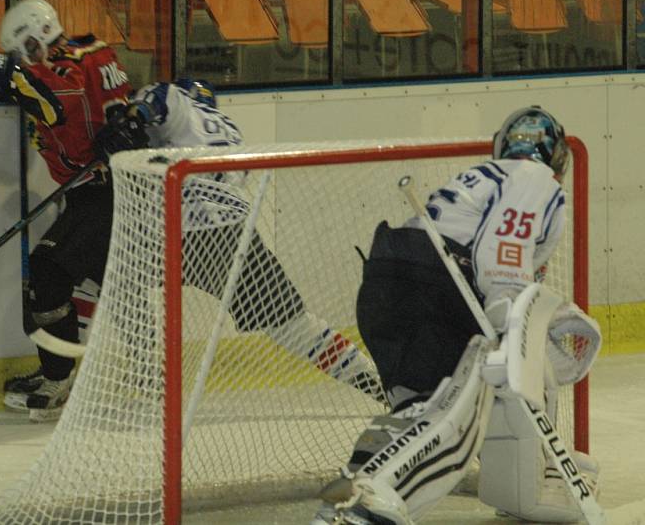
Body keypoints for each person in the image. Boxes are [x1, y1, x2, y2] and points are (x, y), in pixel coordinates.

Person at [311, 106, 602, 524]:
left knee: (417, 411)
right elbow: (500, 260)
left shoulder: (483, 176)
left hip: (388, 281)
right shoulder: (535, 178)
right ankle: (366, 502)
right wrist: (513, 325)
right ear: (555, 156)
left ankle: (358, 480)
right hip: (436, 289)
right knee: (455, 431)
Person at [96, 78, 384, 400]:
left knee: (115, 280)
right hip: (232, 238)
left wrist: (134, 115)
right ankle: (372, 380)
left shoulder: (182, 105)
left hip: (173, 235)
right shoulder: (229, 129)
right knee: (292, 325)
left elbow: (161, 98)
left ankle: (147, 367)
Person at [0, 0, 134, 422]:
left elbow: (54, 100)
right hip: (101, 190)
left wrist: (5, 74)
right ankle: (75, 371)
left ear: (36, 39)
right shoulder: (87, 53)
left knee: (48, 273)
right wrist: (15, 74)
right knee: (96, 282)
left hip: (107, 189)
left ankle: (57, 378)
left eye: (24, 53)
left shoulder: (71, 64)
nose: (25, 63)